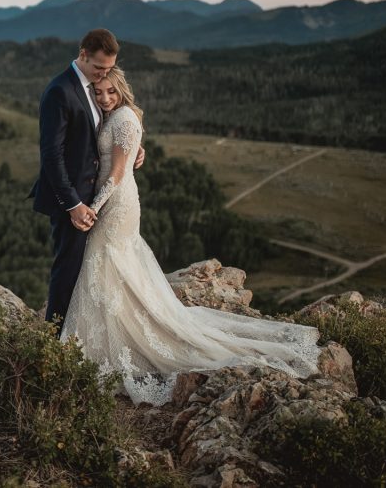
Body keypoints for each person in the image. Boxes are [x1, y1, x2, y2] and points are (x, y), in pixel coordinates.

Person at [60, 67, 321, 406]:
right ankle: (113, 332)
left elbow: (118, 172)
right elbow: (121, 153)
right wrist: (138, 150)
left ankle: (119, 338)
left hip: (116, 204)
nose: (104, 97)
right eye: (98, 92)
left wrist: (89, 208)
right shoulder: (112, 116)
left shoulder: (123, 118)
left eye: (111, 91)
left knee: (103, 262)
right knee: (111, 268)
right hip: (116, 201)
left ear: (121, 89)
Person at [29, 29, 143, 335]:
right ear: (82, 55)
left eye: (108, 69)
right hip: (73, 201)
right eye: (99, 68)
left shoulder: (93, 88)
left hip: (93, 200)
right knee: (67, 271)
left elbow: (102, 131)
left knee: (83, 271)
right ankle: (54, 340)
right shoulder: (60, 90)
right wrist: (74, 204)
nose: (103, 75)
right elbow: (51, 156)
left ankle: (80, 334)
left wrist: (134, 148)